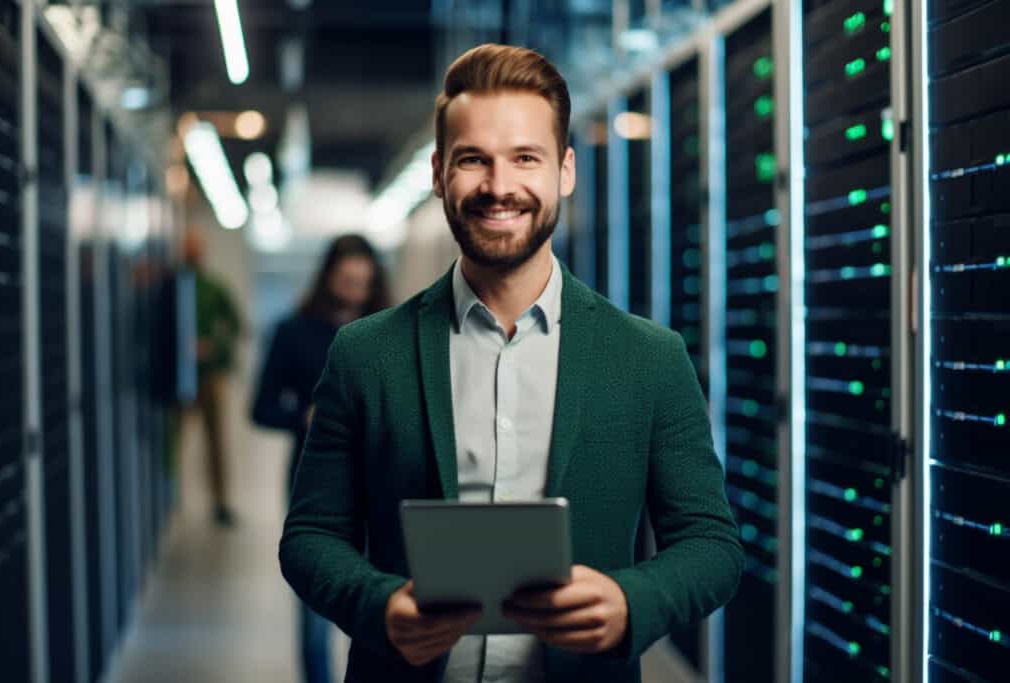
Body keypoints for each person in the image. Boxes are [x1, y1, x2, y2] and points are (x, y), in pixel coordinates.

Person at [279, 44, 742, 682]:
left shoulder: (648, 359)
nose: (499, 187)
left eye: (526, 158)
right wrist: (379, 606)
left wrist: (632, 602)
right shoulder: (366, 354)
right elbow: (309, 538)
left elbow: (712, 546)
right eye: (474, 160)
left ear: (565, 170)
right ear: (440, 173)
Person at [252, 234, 390, 683]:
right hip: (313, 481)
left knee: (376, 597)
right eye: (346, 282)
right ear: (329, 278)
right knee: (314, 606)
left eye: (362, 284)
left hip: (380, 481)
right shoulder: (293, 331)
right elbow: (261, 407)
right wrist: (303, 415)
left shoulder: (390, 333)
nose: (354, 292)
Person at [181, 226, 241, 527]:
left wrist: (212, 348)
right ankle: (171, 495)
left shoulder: (212, 287)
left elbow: (235, 325)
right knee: (173, 438)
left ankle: (220, 500)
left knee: (215, 440)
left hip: (209, 375)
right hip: (176, 376)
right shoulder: (172, 286)